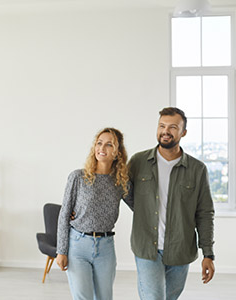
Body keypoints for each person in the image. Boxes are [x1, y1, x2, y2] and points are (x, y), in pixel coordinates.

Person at [127, 107, 215, 300]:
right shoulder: (138, 162)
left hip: (180, 249)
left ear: (183, 132)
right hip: (146, 249)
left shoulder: (197, 169)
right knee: (154, 297)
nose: (165, 131)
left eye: (173, 127)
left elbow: (205, 213)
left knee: (169, 298)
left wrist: (208, 254)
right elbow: (120, 190)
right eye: (162, 126)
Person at [56, 127, 130, 300]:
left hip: (106, 248)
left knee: (105, 297)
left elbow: (140, 206)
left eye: (109, 145)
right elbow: (64, 213)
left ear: (117, 153)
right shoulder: (78, 177)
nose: (102, 148)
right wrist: (61, 250)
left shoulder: (121, 182)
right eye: (99, 143)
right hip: (78, 246)